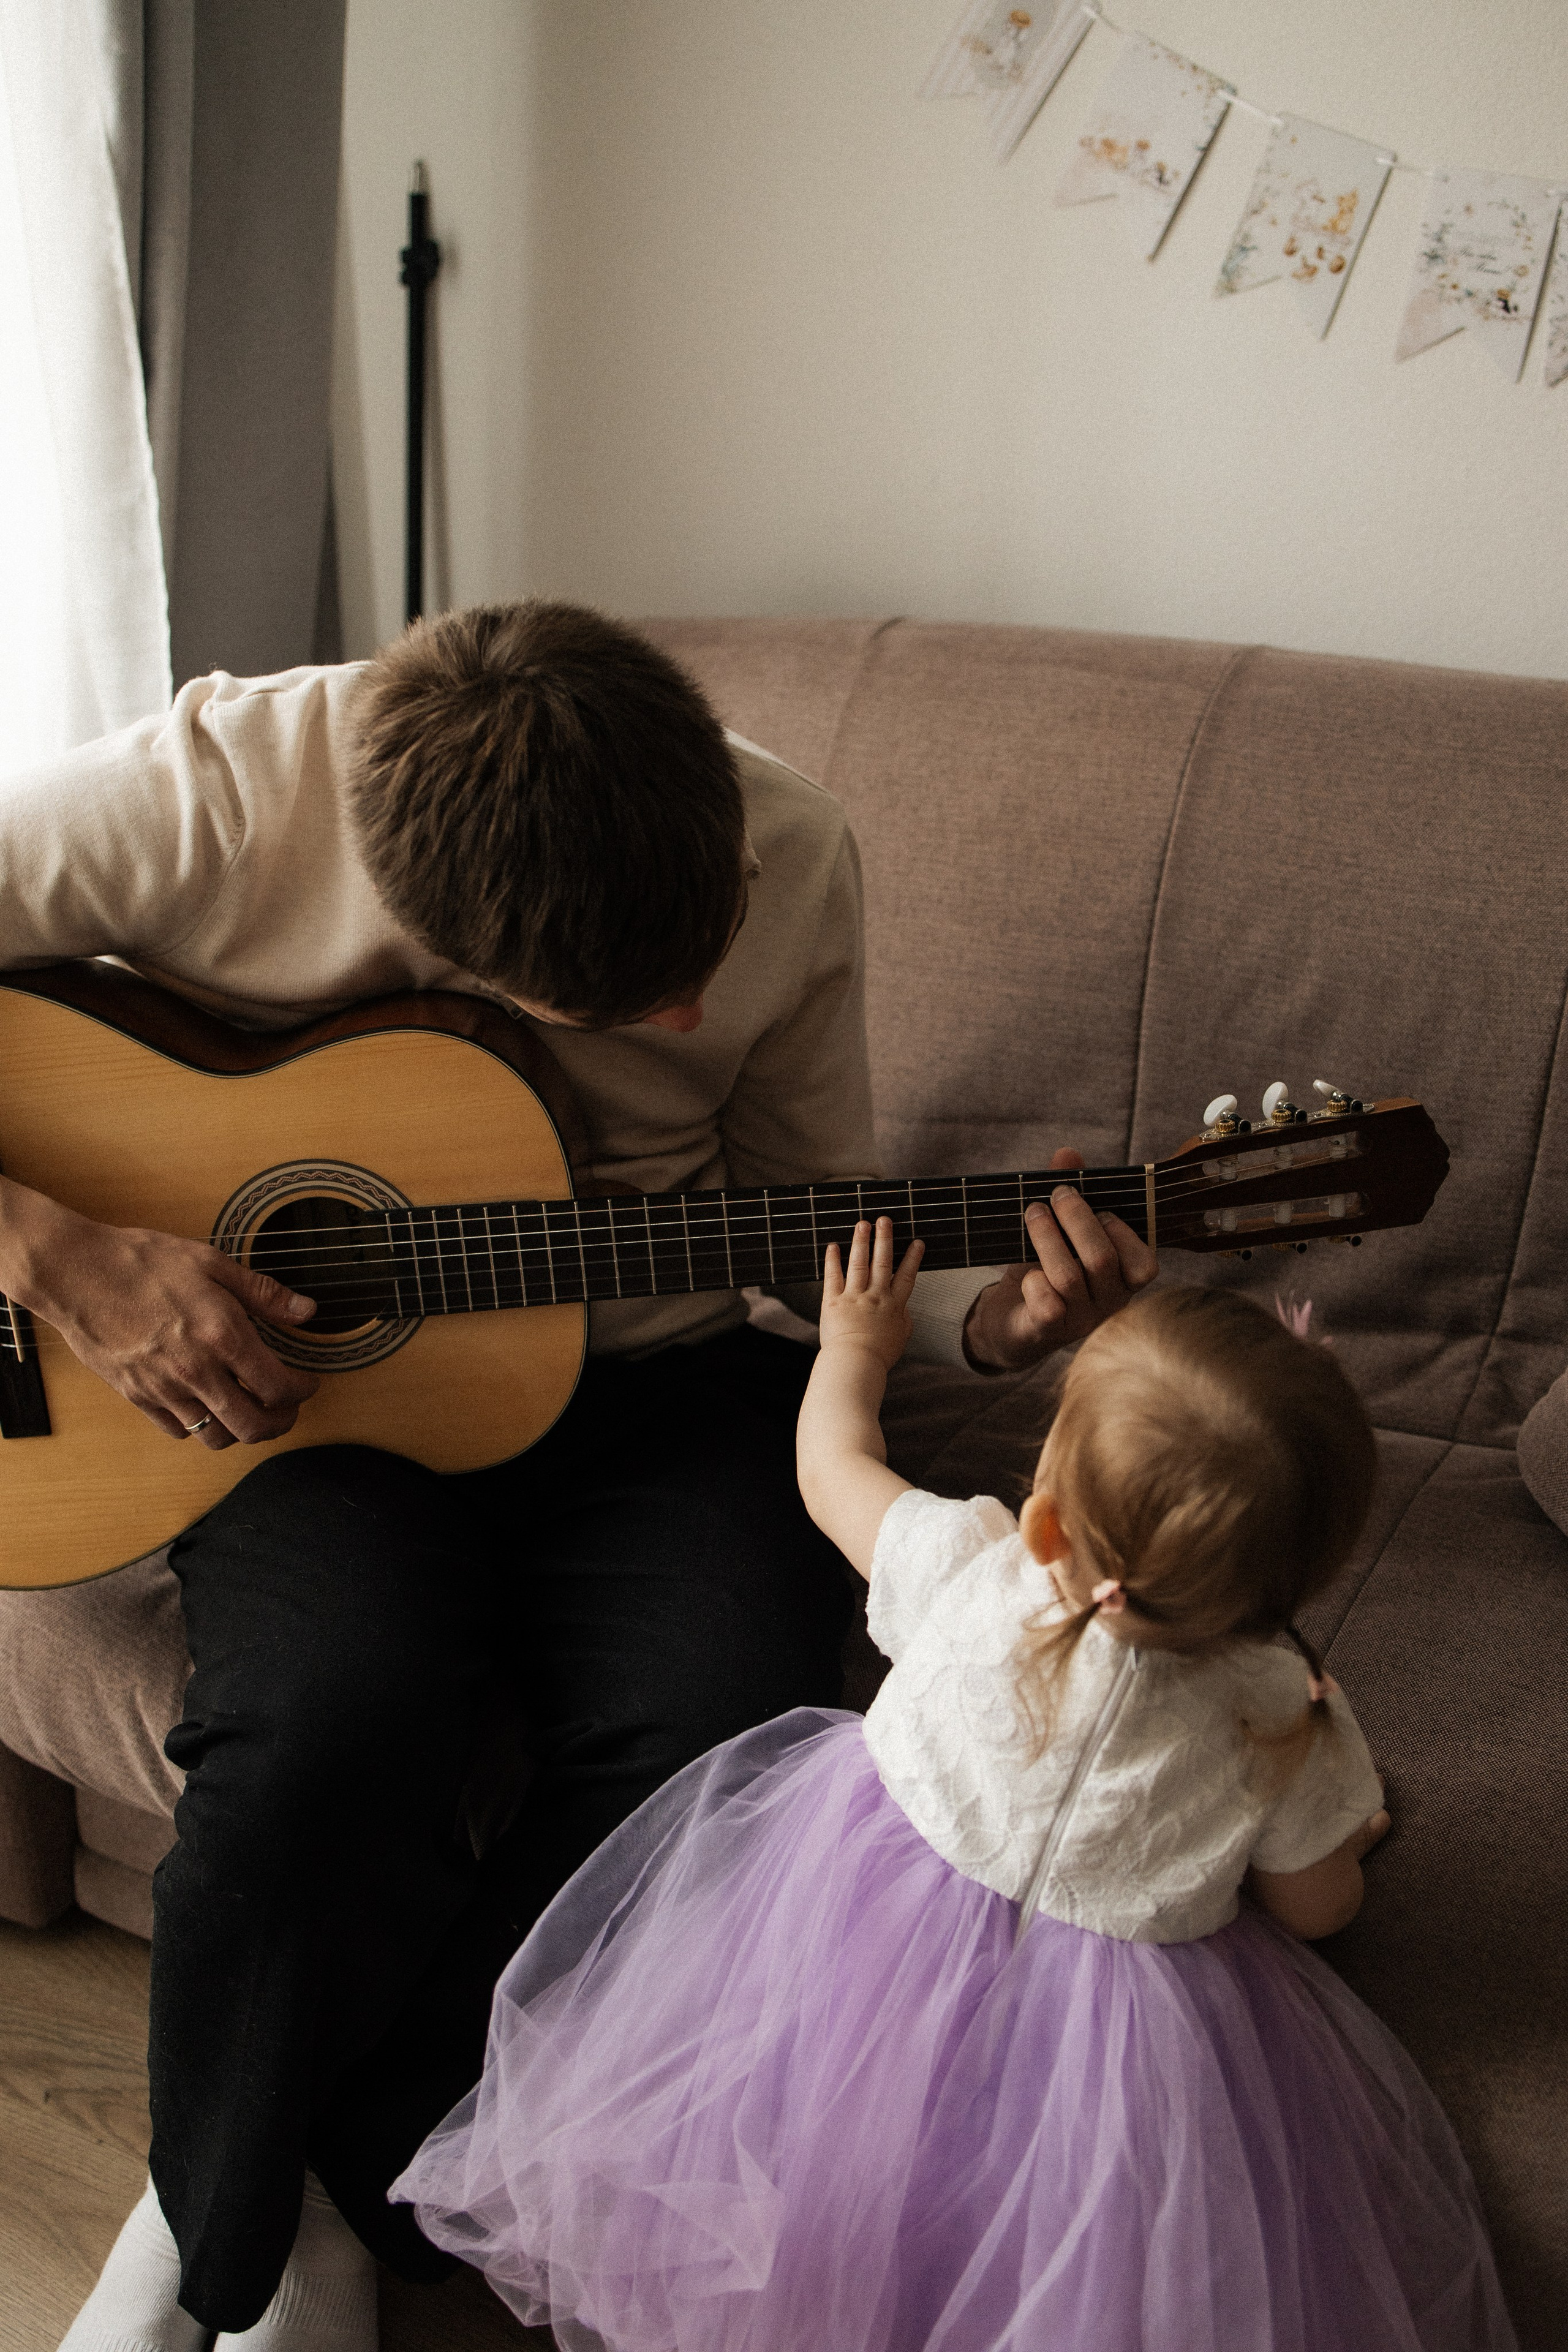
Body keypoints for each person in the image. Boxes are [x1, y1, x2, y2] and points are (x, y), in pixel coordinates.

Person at [0, 603, 1158, 2350]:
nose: (692, 1011)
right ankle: (211, 2242)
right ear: (442, 944)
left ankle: (332, 2175)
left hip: (663, 1379)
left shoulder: (789, 849)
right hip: (310, 1399)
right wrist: (61, 1253)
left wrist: (990, 1325)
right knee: (326, 1724)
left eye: (707, 947)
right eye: (630, 1004)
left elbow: (808, 1227)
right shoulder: (219, 796)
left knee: (724, 1742)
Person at [395, 1234, 1517, 2352]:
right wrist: (1348, 1837)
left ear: (1047, 1521)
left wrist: (854, 1347)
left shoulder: (974, 1566)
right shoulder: (1284, 1713)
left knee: (813, 2163)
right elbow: (1316, 1908)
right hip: (1115, 2045)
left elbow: (830, 1468)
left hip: (854, 1934)